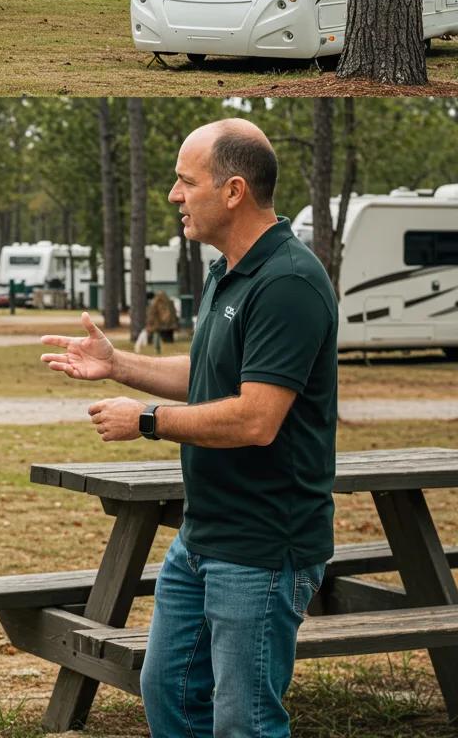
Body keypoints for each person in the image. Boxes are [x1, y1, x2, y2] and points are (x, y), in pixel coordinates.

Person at [41, 118, 338, 738]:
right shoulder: (230, 269)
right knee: (169, 692)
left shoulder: (287, 281)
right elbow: (209, 375)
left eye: (186, 181)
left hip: (262, 545)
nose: (174, 194)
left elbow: (256, 418)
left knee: (244, 721)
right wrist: (117, 364)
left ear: (233, 191)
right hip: (202, 535)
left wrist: (147, 422)